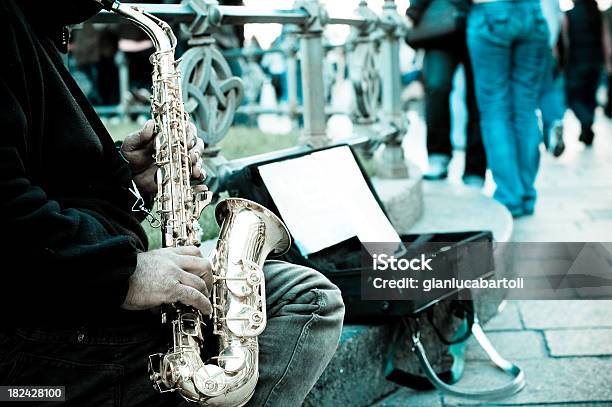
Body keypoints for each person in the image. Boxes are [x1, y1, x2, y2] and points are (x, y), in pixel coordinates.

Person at [0, 2, 345, 406]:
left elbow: (39, 175)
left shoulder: (31, 23)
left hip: (67, 285)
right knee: (302, 303)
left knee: (304, 294)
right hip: (28, 342)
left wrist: (126, 175)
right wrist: (123, 273)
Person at [467, 0, 549, 217]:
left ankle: (509, 197)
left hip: (490, 11)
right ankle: (527, 195)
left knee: (495, 108)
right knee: (526, 109)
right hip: (532, 11)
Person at [406, 0, 487, 187]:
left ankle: (475, 169)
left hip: (478, 17)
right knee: (436, 88)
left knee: (479, 99)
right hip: (440, 25)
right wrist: (414, 11)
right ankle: (438, 155)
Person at [562, 0, 604, 146]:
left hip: (577, 61)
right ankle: (587, 126)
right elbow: (606, 39)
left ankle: (586, 121)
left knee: (574, 96)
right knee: (589, 96)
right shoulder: (596, 13)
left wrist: (563, 62)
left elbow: (566, 41)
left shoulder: (569, 15)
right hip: (596, 60)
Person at [539, 0, 565, 157]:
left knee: (524, 96)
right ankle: (554, 121)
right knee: (548, 90)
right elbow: (559, 19)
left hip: (525, 43)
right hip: (548, 46)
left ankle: (533, 135)